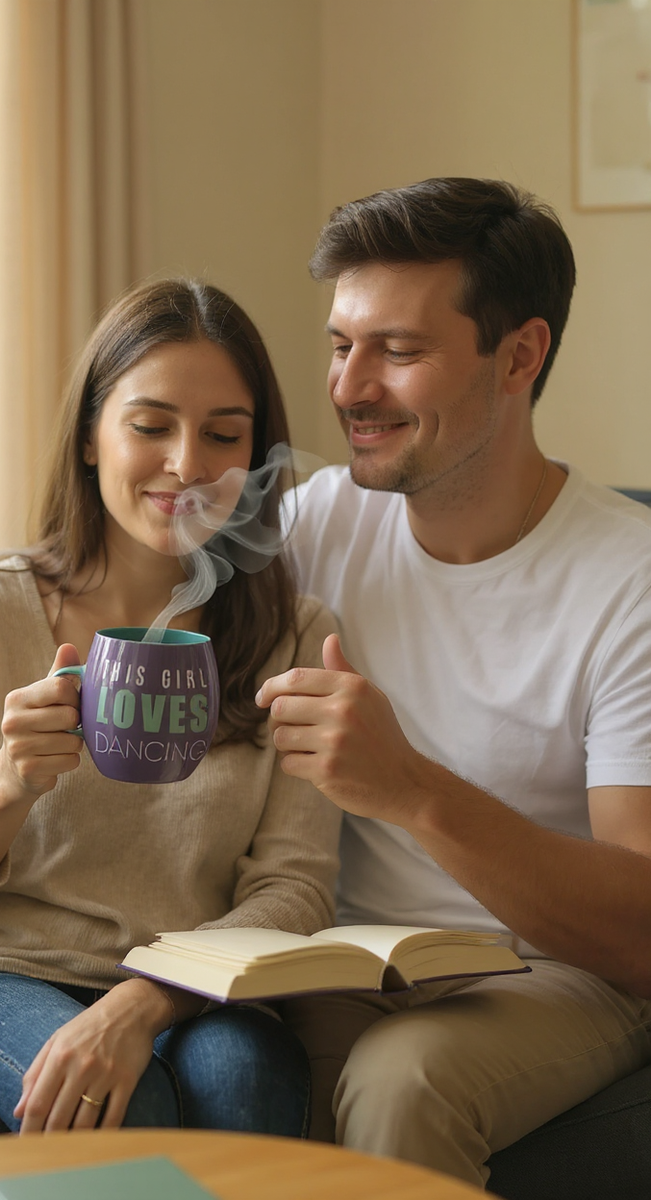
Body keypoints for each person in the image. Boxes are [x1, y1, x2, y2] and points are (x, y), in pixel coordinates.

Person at [0, 278, 341, 1137]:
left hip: (188, 987)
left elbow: (294, 891)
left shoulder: (296, 636)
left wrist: (146, 1000)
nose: (188, 464)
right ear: (89, 437)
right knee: (120, 1100)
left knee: (249, 1079)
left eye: (223, 434)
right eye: (151, 426)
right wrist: (7, 782)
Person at [253, 178, 651, 1187]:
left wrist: (411, 790)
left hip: (550, 973)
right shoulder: (317, 522)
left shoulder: (630, 581)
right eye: (341, 345)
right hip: (336, 962)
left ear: (518, 356)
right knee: (222, 1064)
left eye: (397, 350)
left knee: (403, 1081)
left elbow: (641, 927)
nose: (349, 388)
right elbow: (119, 590)